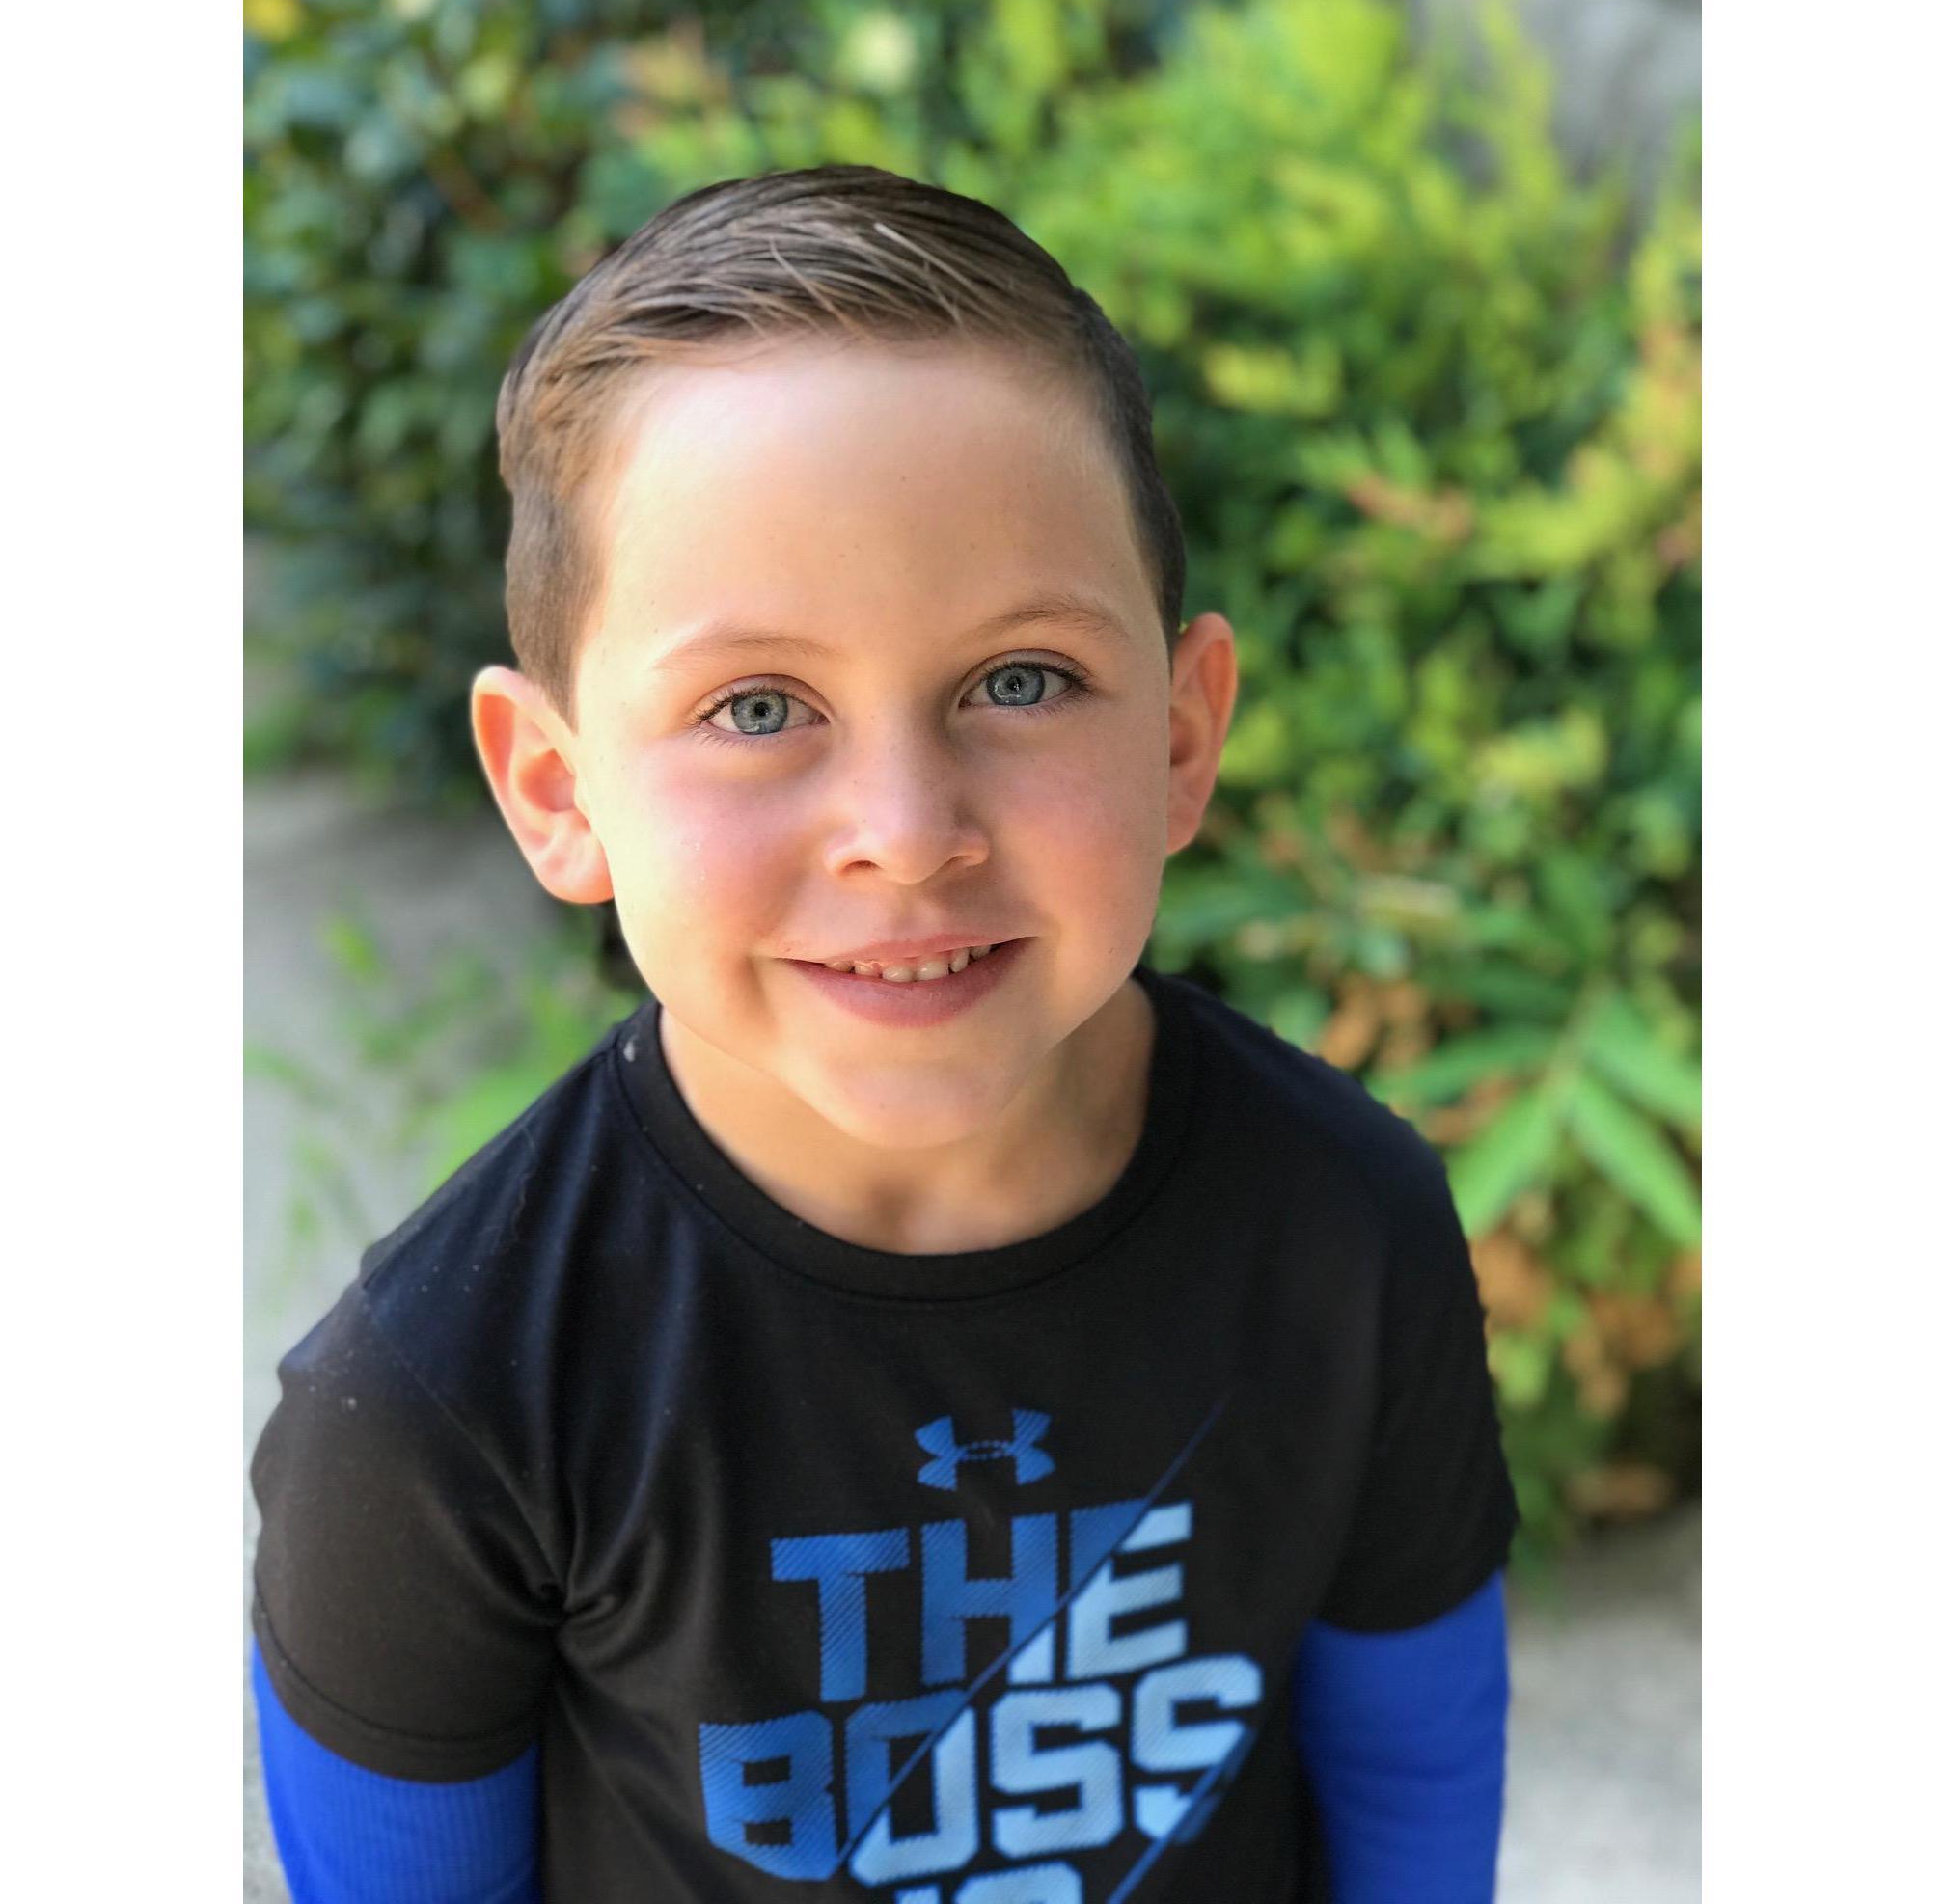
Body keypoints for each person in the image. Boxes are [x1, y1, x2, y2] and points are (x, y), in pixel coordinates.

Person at [250, 164, 1519, 1903]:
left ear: (1180, 737)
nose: (908, 834)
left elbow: (1416, 1780)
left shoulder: (1348, 1228)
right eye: (757, 707)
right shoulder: (440, 1408)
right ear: (557, 788)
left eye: (1020, 681)